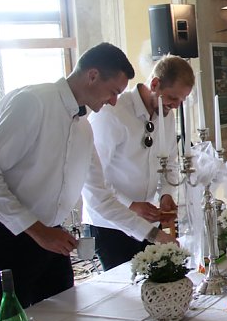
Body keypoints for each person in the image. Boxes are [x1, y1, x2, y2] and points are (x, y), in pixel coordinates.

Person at [0, 43, 173, 321]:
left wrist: (153, 235)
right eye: (113, 91)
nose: (114, 101)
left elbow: (101, 198)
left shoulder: (84, 128)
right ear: (92, 75)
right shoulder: (32, 102)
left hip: (52, 238)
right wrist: (39, 231)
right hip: (5, 237)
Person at [82, 55, 194, 271]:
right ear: (155, 84)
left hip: (145, 221)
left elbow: (169, 161)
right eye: (173, 98)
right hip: (109, 223)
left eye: (182, 100)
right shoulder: (112, 113)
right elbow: (94, 178)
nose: (176, 106)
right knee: (123, 289)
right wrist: (131, 205)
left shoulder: (167, 114)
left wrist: (167, 194)